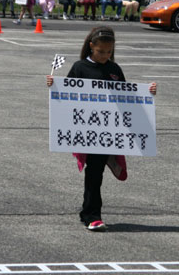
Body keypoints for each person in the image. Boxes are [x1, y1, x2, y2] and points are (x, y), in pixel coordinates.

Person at [44, 26, 157, 231]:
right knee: (94, 172)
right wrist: (54, 85)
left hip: (108, 131)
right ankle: (92, 215)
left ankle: (88, 211)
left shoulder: (114, 70)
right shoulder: (80, 67)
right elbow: (66, 94)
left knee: (96, 172)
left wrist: (148, 92)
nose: (105, 55)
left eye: (109, 52)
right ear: (91, 47)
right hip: (87, 129)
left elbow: (128, 98)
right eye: (101, 51)